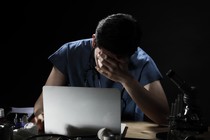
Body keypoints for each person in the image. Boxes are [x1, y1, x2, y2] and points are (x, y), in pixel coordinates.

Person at [33, 13, 169, 132]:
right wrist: (41, 115)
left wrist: (127, 80)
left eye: (119, 59)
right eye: (106, 56)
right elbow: (42, 103)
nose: (111, 65)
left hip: (125, 134)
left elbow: (164, 117)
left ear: (132, 53)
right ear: (94, 42)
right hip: (74, 131)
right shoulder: (70, 53)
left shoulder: (143, 62)